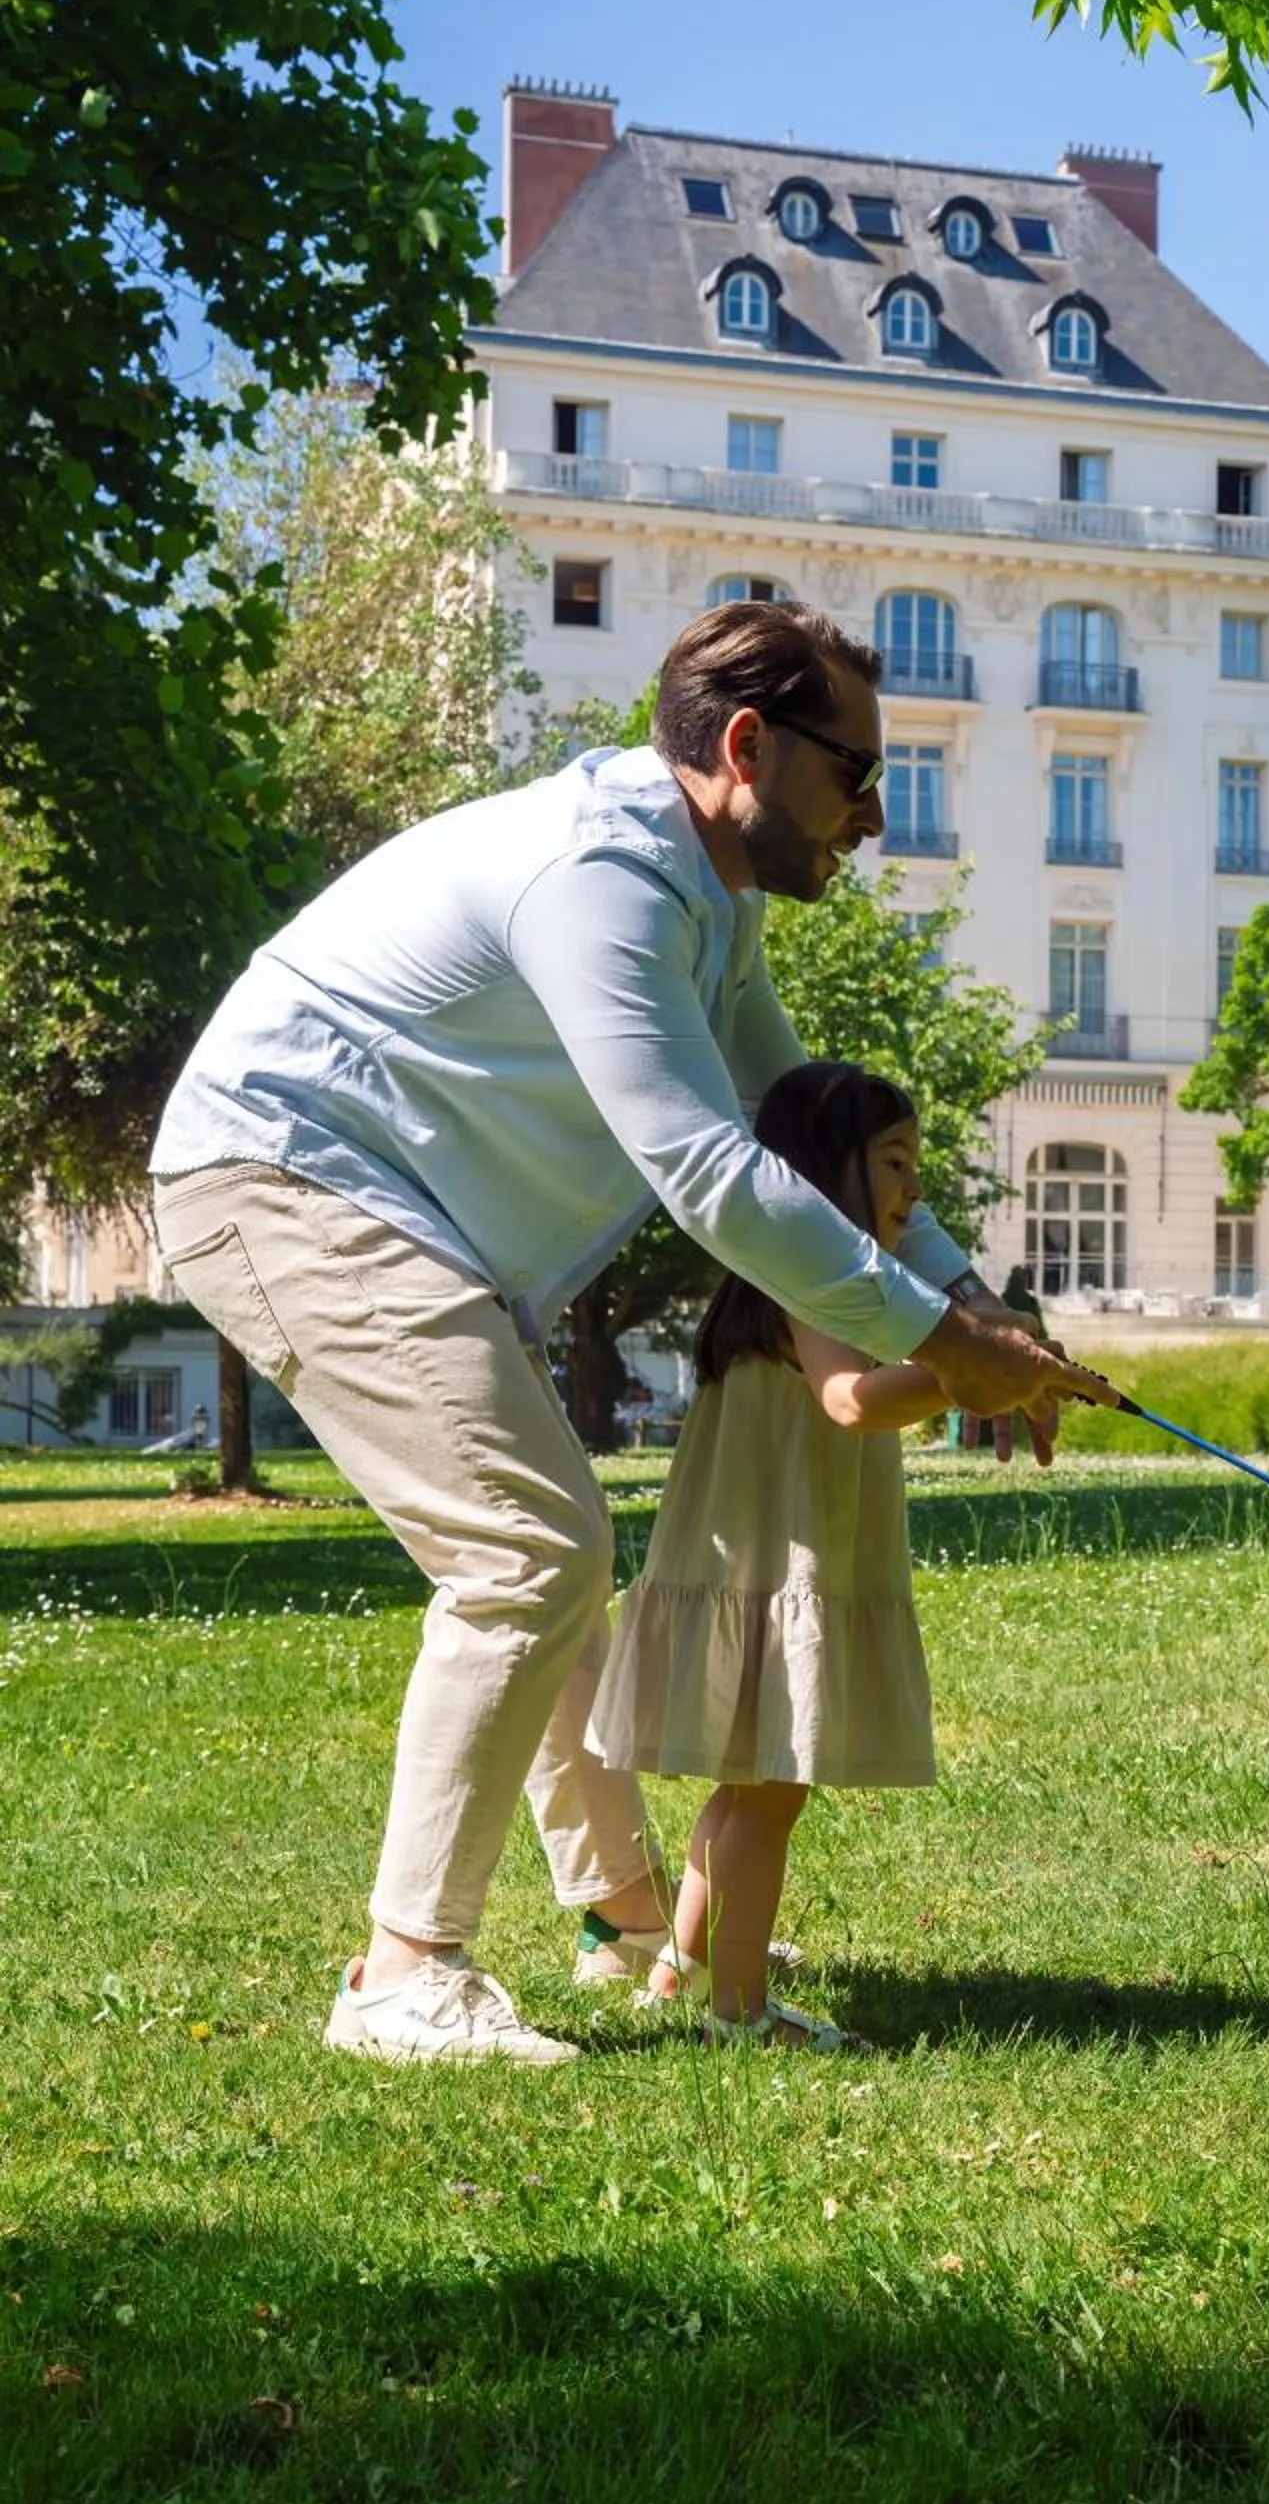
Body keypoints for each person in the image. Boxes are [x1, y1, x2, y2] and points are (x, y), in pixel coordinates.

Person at [148, 601, 1103, 2065]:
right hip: (284, 1174)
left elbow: (797, 1129)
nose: (872, 813)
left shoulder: (706, 894)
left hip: (399, 1215)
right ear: (746, 747)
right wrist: (932, 1334)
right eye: (856, 773)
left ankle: (626, 1921)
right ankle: (403, 1975)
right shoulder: (604, 879)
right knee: (528, 1551)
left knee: (546, 1558)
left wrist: (975, 1307)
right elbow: (707, 1167)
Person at [587, 1061, 943, 2051]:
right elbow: (851, 1401)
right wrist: (969, 1376)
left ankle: (681, 1967)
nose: (914, 1188)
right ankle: (738, 2014)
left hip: (749, 1568)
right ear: (827, 1168)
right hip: (779, 1569)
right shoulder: (821, 1277)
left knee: (745, 1786)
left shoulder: (772, 1275)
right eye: (894, 1162)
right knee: (769, 1797)